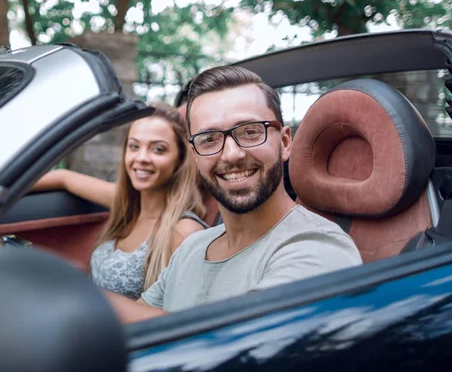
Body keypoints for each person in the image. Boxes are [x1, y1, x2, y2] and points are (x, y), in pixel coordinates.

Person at [105, 66, 363, 324]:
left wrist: (85, 298)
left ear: (284, 143)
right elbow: (133, 331)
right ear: (195, 155)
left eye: (250, 131)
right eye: (208, 138)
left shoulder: (318, 248)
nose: (231, 154)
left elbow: (233, 345)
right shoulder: (191, 249)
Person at [33, 102, 208, 299]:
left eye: (158, 149)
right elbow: (63, 177)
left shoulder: (184, 232)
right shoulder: (126, 203)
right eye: (134, 146)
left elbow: (186, 316)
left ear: (179, 158)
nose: (141, 157)